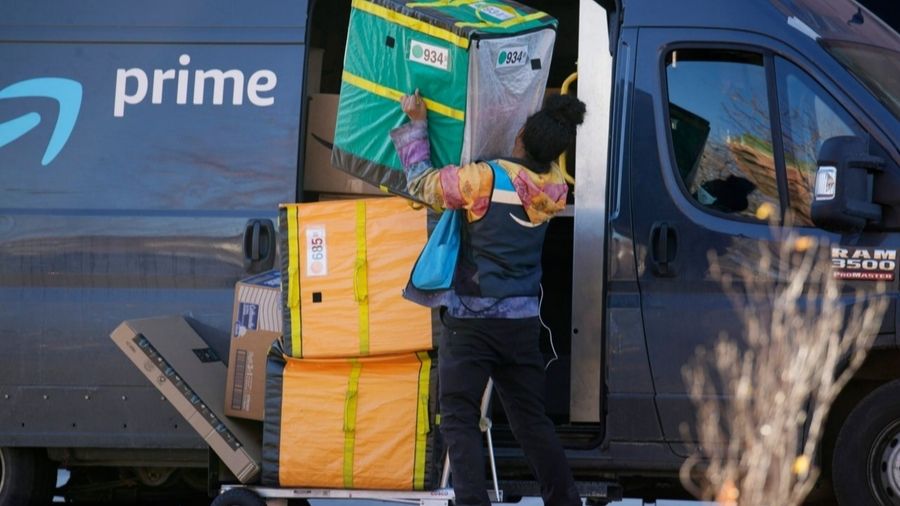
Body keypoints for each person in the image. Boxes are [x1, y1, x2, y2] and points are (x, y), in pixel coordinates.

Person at [390, 89, 586, 506]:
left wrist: (418, 124)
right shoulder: (554, 190)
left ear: (520, 137)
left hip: (472, 324)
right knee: (531, 421)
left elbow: (422, 185)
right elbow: (541, 163)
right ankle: (565, 501)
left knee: (459, 419)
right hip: (521, 326)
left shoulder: (482, 179)